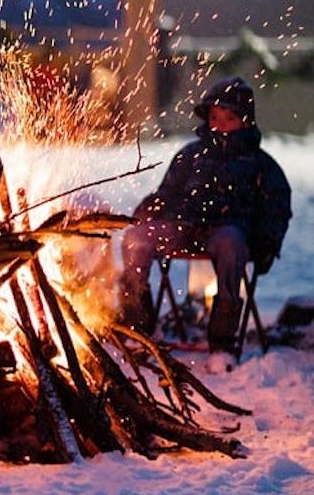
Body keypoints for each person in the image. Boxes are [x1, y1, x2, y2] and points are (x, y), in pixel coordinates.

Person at [118, 76, 291, 363]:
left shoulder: (260, 165)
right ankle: (138, 327)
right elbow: (167, 195)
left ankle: (222, 343)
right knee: (137, 238)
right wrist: (144, 216)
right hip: (185, 227)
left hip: (229, 232)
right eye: (214, 117)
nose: (219, 124)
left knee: (231, 243)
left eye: (229, 118)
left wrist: (267, 243)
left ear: (245, 121)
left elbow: (277, 209)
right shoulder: (191, 156)